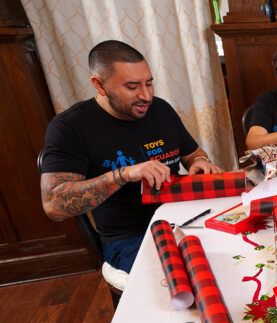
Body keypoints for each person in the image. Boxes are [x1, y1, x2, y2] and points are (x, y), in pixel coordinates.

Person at [40, 40, 223, 273]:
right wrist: (124, 174)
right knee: (190, 276)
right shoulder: (71, 127)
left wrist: (200, 163)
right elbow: (53, 206)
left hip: (185, 218)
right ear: (99, 85)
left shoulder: (161, 110)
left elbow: (193, 154)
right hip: (130, 237)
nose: (146, 96)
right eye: (132, 86)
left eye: (149, 83)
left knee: (239, 255)